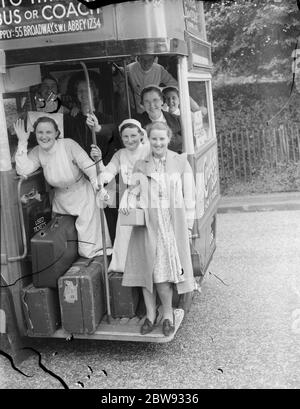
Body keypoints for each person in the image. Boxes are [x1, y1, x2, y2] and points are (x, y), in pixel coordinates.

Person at [121, 122, 195, 336]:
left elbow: (189, 198)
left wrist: (188, 227)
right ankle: (150, 316)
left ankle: (168, 315)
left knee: (163, 275)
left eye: (162, 139)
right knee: (147, 272)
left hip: (170, 225)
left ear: (169, 139)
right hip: (147, 225)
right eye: (154, 139)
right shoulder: (140, 164)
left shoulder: (180, 162)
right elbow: (133, 191)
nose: (158, 143)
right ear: (148, 139)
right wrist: (129, 198)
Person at [14, 116, 112, 259]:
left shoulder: (68, 145)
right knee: (63, 246)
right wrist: (22, 141)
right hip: (60, 201)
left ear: (56, 133)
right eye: (40, 132)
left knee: (89, 250)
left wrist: (99, 188)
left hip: (83, 198)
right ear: (35, 134)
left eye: (48, 132)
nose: (44, 136)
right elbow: (23, 169)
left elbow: (90, 168)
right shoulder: (37, 151)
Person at [64, 73, 123, 243]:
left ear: (95, 93)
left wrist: (97, 128)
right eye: (80, 91)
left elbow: (112, 132)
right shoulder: (72, 120)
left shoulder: (106, 118)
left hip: (101, 174)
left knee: (109, 215)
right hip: (80, 178)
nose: (83, 94)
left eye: (87, 90)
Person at [90, 118, 150, 272]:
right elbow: (108, 173)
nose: (130, 140)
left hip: (148, 196)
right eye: (125, 137)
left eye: (133, 136)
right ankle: (123, 268)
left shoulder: (148, 150)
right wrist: (99, 172)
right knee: (124, 234)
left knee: (148, 235)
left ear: (141, 135)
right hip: (128, 200)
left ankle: (149, 267)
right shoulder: (120, 155)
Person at [135, 85, 182, 154]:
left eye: (155, 100)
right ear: (143, 105)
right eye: (147, 101)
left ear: (162, 101)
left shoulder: (177, 120)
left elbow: (190, 142)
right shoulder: (137, 125)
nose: (151, 105)